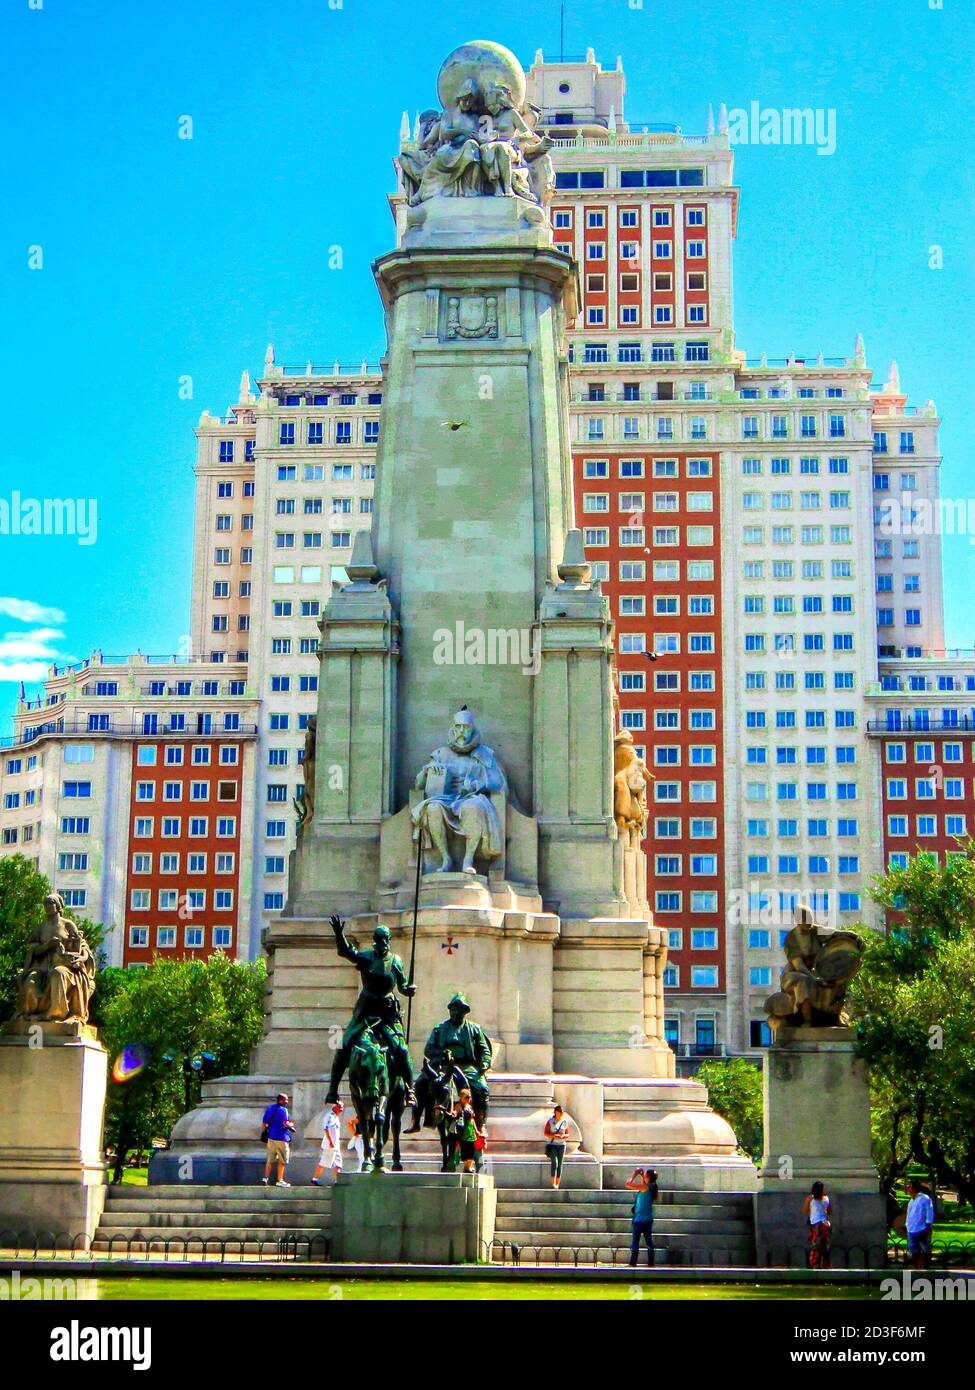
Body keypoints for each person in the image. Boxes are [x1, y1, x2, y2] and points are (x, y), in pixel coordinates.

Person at [261, 1092, 296, 1187]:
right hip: (281, 1138)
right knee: (282, 1160)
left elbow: (264, 1123)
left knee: (270, 1159)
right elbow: (285, 1123)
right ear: (280, 1100)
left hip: (271, 1138)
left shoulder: (270, 1108)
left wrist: (267, 1131)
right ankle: (280, 1180)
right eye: (285, 1100)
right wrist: (291, 1125)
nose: (287, 1102)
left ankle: (265, 1178)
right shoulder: (283, 1110)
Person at [625, 1167, 659, 1267]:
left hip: (639, 1220)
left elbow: (628, 1184)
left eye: (645, 1175)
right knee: (649, 1241)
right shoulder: (651, 1187)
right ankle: (651, 1262)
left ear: (648, 1177)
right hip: (648, 1219)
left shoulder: (645, 1188)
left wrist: (634, 1174)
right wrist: (641, 1175)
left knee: (635, 1241)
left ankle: (633, 1262)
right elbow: (644, 1184)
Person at [311, 1100, 344, 1186]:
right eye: (340, 1108)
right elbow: (326, 1129)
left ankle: (337, 1181)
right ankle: (315, 1179)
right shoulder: (329, 1116)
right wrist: (330, 1141)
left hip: (336, 1145)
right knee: (324, 1162)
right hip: (330, 1145)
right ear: (335, 1107)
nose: (342, 1110)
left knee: (338, 1163)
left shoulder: (336, 1117)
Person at [905, 1180, 935, 1269]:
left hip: (922, 1228)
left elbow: (929, 1211)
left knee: (925, 1247)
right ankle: (916, 1265)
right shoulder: (911, 1201)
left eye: (909, 1187)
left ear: (914, 1189)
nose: (908, 1189)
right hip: (911, 1228)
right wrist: (907, 1224)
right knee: (913, 1248)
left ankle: (926, 1265)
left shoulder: (925, 1198)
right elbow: (909, 1214)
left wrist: (928, 1223)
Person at [802, 1180, 832, 1268]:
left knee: (815, 1246)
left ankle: (815, 1265)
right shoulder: (826, 1198)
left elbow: (804, 1211)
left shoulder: (810, 1198)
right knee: (824, 1246)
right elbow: (829, 1212)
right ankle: (826, 1265)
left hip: (816, 1225)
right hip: (825, 1225)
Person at [452, 1091, 481, 1173]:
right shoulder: (459, 1106)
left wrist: (476, 1130)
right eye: (467, 1097)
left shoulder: (469, 1106)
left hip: (471, 1132)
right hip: (463, 1132)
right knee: (465, 1151)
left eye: (469, 1097)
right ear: (461, 1098)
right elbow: (455, 1112)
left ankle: (468, 1167)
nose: (469, 1099)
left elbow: (472, 1120)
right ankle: (468, 1167)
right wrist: (454, 1113)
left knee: (471, 1151)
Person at [544, 1104, 570, 1189]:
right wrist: (554, 1136)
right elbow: (546, 1133)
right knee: (554, 1162)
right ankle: (553, 1182)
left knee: (560, 1164)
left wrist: (564, 1136)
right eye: (559, 1112)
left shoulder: (564, 1122)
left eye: (562, 1112)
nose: (561, 1113)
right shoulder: (551, 1121)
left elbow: (567, 1133)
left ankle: (558, 1183)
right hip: (553, 1144)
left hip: (562, 1145)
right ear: (556, 1112)